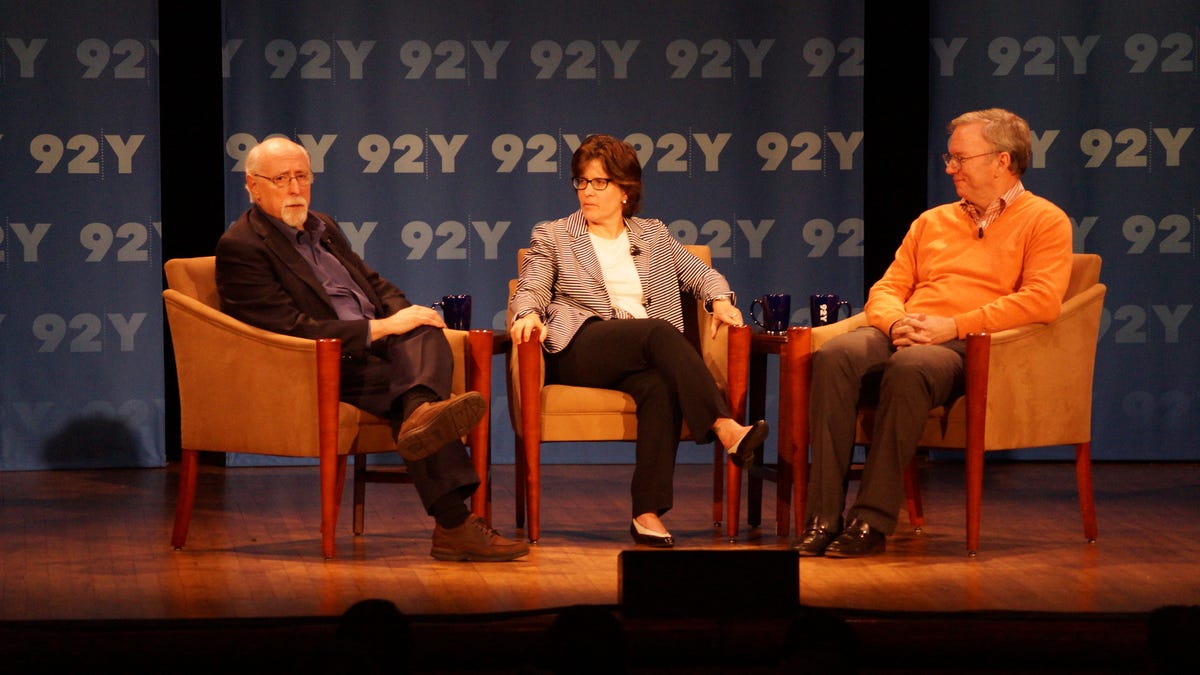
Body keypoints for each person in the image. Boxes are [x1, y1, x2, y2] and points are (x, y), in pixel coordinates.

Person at [215, 136, 528, 562]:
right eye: (281, 178)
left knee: (425, 329)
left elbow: (376, 285)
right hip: (319, 364)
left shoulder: (322, 227)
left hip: (374, 350)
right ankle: (453, 522)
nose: (294, 188)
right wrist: (379, 328)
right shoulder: (242, 247)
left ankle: (423, 417)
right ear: (252, 185)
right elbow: (288, 328)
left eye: (302, 177)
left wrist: (405, 316)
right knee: (411, 396)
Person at [794, 108, 1073, 558]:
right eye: (950, 158)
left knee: (910, 366)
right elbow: (888, 287)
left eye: (960, 158)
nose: (949, 168)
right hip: (908, 329)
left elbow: (1040, 300)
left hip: (970, 344)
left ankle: (872, 520)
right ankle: (823, 516)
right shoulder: (931, 221)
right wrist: (895, 321)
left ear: (1002, 161)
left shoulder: (1045, 220)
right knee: (835, 356)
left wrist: (953, 326)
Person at [509, 133, 769, 548]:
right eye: (581, 182)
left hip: (643, 354)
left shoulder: (653, 235)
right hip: (582, 345)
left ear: (626, 191)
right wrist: (527, 313)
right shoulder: (555, 234)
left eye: (599, 183)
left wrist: (719, 299)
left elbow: (699, 273)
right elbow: (533, 283)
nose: (587, 192)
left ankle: (646, 514)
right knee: (659, 332)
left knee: (660, 387)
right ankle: (723, 426)